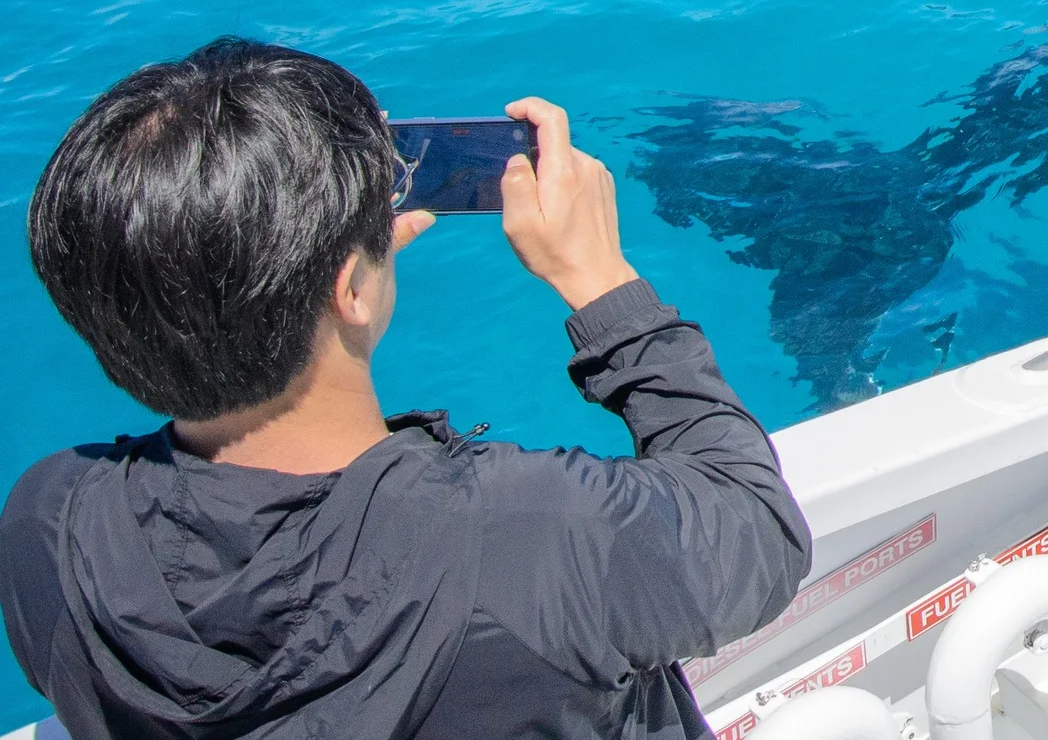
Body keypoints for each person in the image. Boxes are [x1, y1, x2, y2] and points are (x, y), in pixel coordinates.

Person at [0, 38, 812, 739]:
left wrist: (326, 259)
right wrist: (600, 280)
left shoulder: (51, 530)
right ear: (351, 288)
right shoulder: (534, 538)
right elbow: (760, 532)